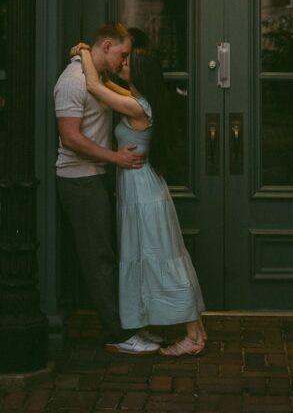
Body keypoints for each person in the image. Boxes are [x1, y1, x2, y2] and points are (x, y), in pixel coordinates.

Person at [72, 42, 207, 357]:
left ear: (140, 72)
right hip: (140, 189)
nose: (123, 63)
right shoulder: (135, 99)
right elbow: (104, 84)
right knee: (160, 257)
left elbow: (94, 85)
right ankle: (196, 332)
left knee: (161, 258)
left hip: (143, 193)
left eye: (128, 62)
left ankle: (193, 336)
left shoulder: (137, 106)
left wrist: (84, 53)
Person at [54, 21, 160, 355]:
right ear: (106, 46)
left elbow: (105, 89)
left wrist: (83, 51)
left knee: (106, 256)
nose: (124, 61)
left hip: (94, 178)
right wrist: (114, 158)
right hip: (80, 180)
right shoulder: (72, 83)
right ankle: (119, 335)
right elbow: (70, 138)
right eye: (122, 54)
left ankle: (127, 326)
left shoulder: (97, 79)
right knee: (99, 259)